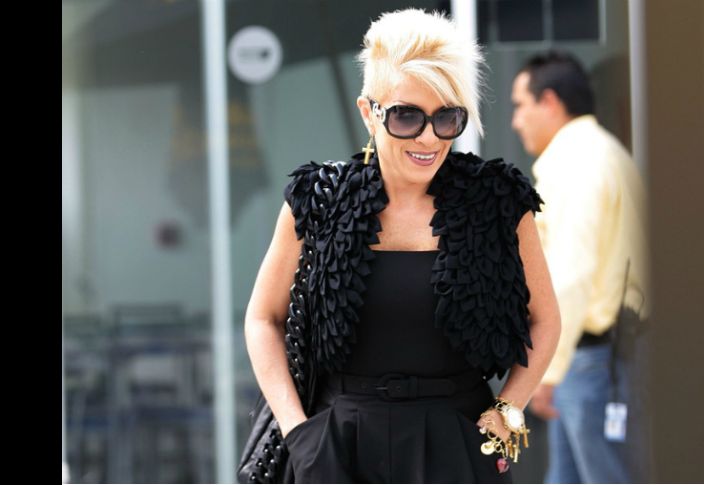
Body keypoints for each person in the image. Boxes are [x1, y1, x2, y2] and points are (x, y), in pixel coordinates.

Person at [244, 9, 561, 483]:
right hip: (337, 451)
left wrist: (506, 414)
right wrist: (299, 434)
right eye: (407, 116)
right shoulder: (318, 199)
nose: (429, 137)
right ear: (368, 112)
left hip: (459, 446)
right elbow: (263, 319)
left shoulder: (498, 200)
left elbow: (546, 319)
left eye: (447, 117)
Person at [510, 51, 651, 483]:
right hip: (599, 356)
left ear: (550, 101)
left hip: (590, 359)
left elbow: (570, 274)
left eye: (521, 105)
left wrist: (546, 369)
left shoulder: (577, 163)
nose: (516, 121)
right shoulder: (602, 152)